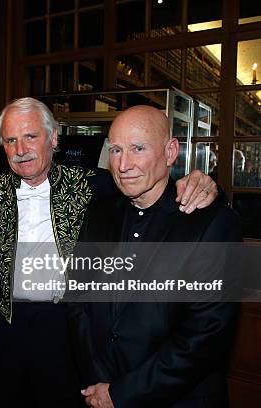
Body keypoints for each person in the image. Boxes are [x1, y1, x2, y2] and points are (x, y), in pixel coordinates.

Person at [0, 98, 219, 408]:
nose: (21, 149)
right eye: (10, 140)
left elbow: (150, 184)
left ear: (54, 138)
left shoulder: (93, 184)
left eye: (31, 136)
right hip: (4, 329)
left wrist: (199, 180)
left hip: (67, 329)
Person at [67, 105, 240, 408]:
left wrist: (122, 394)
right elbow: (77, 300)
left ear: (171, 152)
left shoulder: (211, 222)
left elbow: (205, 334)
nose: (123, 165)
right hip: (100, 390)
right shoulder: (98, 213)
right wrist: (99, 382)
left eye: (138, 148)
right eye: (117, 150)